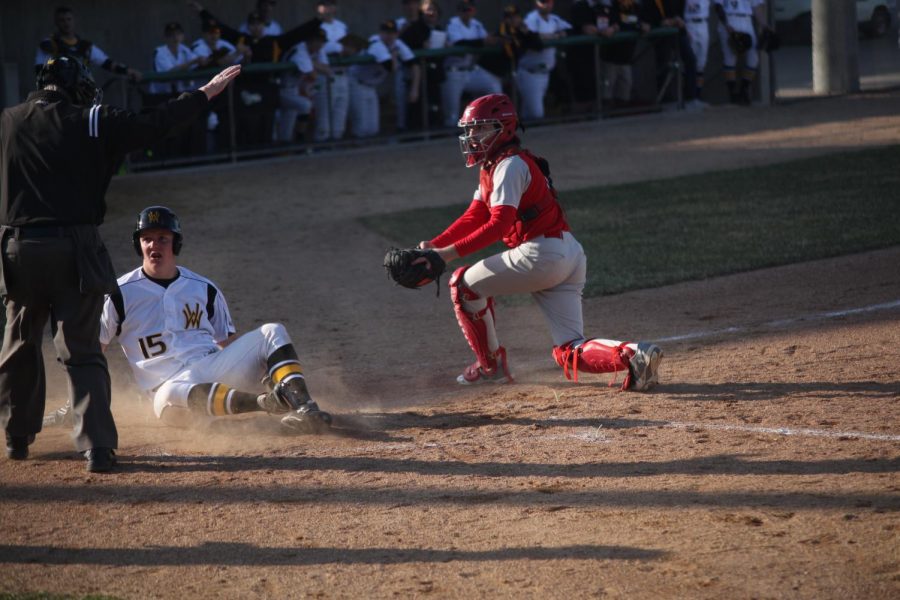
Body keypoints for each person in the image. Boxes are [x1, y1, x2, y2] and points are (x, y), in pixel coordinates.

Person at [0, 56, 241, 471]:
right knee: (82, 347)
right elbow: (155, 124)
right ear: (76, 87)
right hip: (75, 245)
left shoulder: (6, 120)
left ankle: (16, 439)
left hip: (16, 246)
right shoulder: (92, 118)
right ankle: (97, 447)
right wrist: (203, 94)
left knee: (19, 342)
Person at [414, 94, 662, 389]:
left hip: (541, 254)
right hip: (568, 254)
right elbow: (475, 214)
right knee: (569, 351)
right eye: (470, 130)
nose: (472, 136)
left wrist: (445, 256)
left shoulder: (510, 166)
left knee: (462, 285)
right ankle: (633, 354)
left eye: (479, 129)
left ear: (503, 128)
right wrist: (434, 244)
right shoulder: (495, 166)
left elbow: (498, 225)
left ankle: (490, 367)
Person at [44, 207, 332, 434]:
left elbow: (229, 345)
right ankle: (266, 404)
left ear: (175, 244)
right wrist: (77, 401)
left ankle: (305, 408)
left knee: (272, 331)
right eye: (146, 239)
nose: (153, 245)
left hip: (210, 369)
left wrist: (262, 368)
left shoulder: (203, 288)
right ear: (138, 244)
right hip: (166, 394)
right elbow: (94, 351)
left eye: (162, 239)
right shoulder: (118, 293)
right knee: (171, 392)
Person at [191, 2, 322, 147]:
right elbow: (221, 28)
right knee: (247, 124)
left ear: (264, 26)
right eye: (252, 24)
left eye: (258, 24)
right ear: (248, 26)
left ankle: (282, 147)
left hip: (268, 90)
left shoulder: (274, 42)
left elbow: (297, 34)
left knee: (268, 124)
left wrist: (318, 20)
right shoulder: (242, 39)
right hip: (245, 90)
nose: (256, 27)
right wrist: (201, 11)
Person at [35, 5, 142, 82]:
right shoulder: (50, 44)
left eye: (69, 19)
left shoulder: (85, 46)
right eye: (62, 20)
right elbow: (40, 71)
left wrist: (128, 71)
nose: (66, 23)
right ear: (56, 22)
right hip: (58, 94)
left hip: (81, 92)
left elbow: (107, 63)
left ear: (74, 20)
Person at [146, 22, 206, 158]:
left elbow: (197, 66)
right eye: (171, 35)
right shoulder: (159, 52)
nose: (175, 38)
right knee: (166, 130)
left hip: (180, 95)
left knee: (188, 126)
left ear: (182, 36)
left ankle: (190, 158)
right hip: (161, 97)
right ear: (166, 37)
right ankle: (165, 160)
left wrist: (203, 61)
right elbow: (168, 74)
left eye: (178, 34)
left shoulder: (185, 50)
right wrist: (194, 62)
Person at [442, 1, 503, 128]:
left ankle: (496, 125)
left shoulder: (476, 24)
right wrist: (483, 41)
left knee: (494, 87)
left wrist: (497, 37)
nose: (466, 12)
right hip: (453, 72)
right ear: (458, 11)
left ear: (474, 10)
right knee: (452, 116)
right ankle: (447, 142)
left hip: (471, 71)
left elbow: (486, 40)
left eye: (468, 9)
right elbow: (460, 43)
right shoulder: (452, 24)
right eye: (463, 9)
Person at [640, 0, 700, 107]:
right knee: (664, 64)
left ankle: (690, 97)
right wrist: (662, 22)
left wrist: (680, 22)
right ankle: (664, 101)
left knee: (690, 59)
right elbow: (646, 18)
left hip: (677, 32)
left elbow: (679, 13)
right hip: (660, 35)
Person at [520, 1, 571, 120]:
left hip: (546, 73)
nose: (546, 5)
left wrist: (559, 34)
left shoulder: (554, 19)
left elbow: (571, 29)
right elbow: (529, 35)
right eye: (542, 2)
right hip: (530, 73)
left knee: (528, 112)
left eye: (548, 2)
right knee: (536, 114)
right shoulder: (531, 18)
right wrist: (554, 36)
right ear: (536, 4)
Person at [400, 0, 447, 130]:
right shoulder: (414, 29)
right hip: (417, 76)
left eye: (434, 10)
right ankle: (414, 136)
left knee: (435, 106)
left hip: (434, 76)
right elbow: (403, 47)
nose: (431, 13)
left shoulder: (439, 29)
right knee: (417, 109)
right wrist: (421, 46)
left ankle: (435, 131)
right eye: (428, 10)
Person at [714, 0, 769, 104]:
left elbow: (756, 8)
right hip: (729, 19)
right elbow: (718, 6)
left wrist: (764, 25)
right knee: (730, 59)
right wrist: (726, 25)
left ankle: (744, 89)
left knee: (753, 59)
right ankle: (732, 95)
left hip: (747, 20)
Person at [276, 30, 327, 143]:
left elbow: (327, 70)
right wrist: (313, 63)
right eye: (318, 42)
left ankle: (285, 150)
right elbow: (313, 75)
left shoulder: (312, 51)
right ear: (310, 41)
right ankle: (300, 139)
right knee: (305, 105)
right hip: (281, 89)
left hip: (293, 89)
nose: (320, 45)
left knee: (286, 131)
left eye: (322, 42)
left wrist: (313, 62)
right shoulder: (300, 50)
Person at [684, 0, 712, 103]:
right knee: (690, 61)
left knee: (701, 63)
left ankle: (698, 95)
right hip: (689, 24)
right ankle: (689, 95)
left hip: (703, 23)